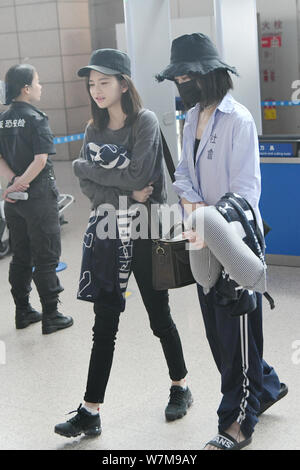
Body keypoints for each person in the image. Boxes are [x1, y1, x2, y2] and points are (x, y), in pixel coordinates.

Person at [156, 33, 288, 450]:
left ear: (208, 74)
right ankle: (264, 384)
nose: (181, 83)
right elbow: (182, 173)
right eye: (176, 77)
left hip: (234, 242)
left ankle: (238, 423)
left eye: (186, 76)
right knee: (218, 334)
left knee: (238, 333)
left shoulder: (239, 120)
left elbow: (246, 190)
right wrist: (193, 209)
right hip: (200, 240)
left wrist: (210, 219)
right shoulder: (191, 118)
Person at [54, 48, 192, 438]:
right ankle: (90, 409)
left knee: (158, 317)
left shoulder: (144, 121)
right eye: (91, 83)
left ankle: (181, 385)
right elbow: (91, 185)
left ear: (123, 83)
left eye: (104, 82)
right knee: (104, 325)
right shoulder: (91, 130)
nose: (96, 90)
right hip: (108, 230)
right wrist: (122, 192)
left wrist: (94, 170)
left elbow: (139, 175)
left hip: (148, 231)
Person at [0, 64, 73, 334]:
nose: (41, 87)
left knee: (21, 255)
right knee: (46, 256)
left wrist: (13, 183)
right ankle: (51, 315)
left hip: (14, 201)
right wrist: (23, 181)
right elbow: (41, 159)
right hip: (38, 197)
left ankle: (23, 311)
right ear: (26, 89)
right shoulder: (36, 118)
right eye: (38, 82)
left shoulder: (2, 119)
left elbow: (0, 159)